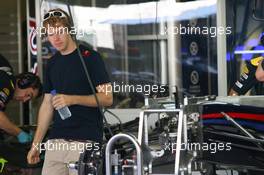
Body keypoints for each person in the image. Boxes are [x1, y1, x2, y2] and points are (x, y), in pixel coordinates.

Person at [27, 8, 113, 175]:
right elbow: (47, 104)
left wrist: (73, 99)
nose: (56, 38)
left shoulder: (90, 57)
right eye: (51, 34)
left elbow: (107, 98)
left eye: (60, 31)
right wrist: (36, 145)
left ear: (70, 30)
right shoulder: (52, 63)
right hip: (56, 141)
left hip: (84, 141)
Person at [0, 54, 42, 143]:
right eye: (28, 95)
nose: (25, 100)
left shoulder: (6, 75)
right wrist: (19, 133)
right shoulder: (7, 83)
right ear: (23, 83)